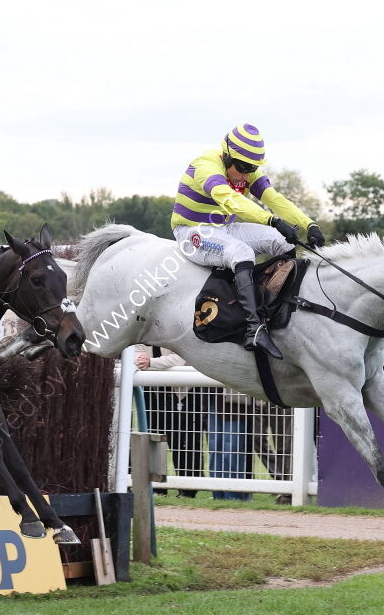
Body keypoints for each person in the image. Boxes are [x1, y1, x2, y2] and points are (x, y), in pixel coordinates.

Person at [172, 124, 325, 359]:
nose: (246, 174)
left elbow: (274, 198)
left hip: (224, 227)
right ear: (226, 156)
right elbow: (231, 200)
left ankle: (283, 310)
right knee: (241, 252)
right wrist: (272, 220)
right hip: (192, 232)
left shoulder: (245, 170)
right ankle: (254, 328)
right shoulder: (206, 165)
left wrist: (309, 224)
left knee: (282, 243)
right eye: (242, 167)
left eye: (251, 168)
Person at [135, 347, 206, 498]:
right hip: (152, 391)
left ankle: (187, 490)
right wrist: (143, 361)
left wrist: (150, 362)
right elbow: (137, 355)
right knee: (153, 439)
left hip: (179, 392)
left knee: (181, 442)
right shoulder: (143, 332)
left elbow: (179, 359)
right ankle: (158, 488)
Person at [207, 387, 253, 501]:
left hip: (236, 398)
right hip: (212, 396)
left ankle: (234, 495)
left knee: (232, 448)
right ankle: (217, 495)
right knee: (214, 448)